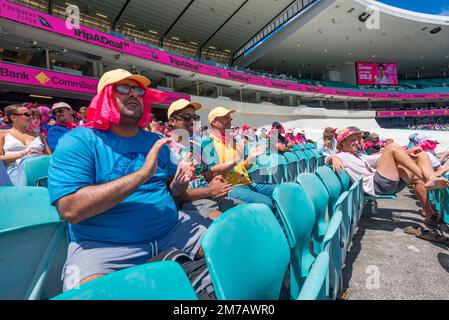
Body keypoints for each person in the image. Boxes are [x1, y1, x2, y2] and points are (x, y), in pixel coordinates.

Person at [48, 69, 210, 291]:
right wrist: (141, 175)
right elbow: (70, 209)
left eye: (138, 90)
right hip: (104, 248)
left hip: (173, 230)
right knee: (91, 296)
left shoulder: (155, 141)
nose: (133, 94)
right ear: (105, 97)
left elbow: (174, 193)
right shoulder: (78, 141)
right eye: (123, 88)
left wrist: (179, 184)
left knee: (233, 250)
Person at [335, 128, 448, 224]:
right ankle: (428, 178)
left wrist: (407, 152)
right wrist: (332, 158)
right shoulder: (342, 156)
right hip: (377, 185)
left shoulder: (358, 155)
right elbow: (326, 158)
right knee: (391, 147)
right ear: (342, 143)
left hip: (384, 183)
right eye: (352, 140)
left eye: (356, 139)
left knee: (420, 153)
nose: (356, 142)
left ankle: (429, 210)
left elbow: (376, 159)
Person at [168, 99, 242, 219]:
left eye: (195, 117)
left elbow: (208, 176)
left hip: (211, 197)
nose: (192, 121)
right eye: (187, 117)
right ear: (172, 121)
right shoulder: (167, 149)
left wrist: (216, 182)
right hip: (190, 204)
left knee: (250, 213)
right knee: (228, 223)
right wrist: (211, 190)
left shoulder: (197, 147)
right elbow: (176, 195)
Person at [203, 106, 275, 208]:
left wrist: (251, 156)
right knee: (267, 202)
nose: (230, 120)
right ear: (214, 122)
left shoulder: (233, 141)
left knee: (284, 191)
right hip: (230, 187)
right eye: (225, 117)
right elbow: (211, 172)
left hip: (248, 184)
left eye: (230, 117)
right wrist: (237, 158)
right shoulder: (207, 143)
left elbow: (244, 167)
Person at [0, 104, 51, 185]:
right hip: (15, 171)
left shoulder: (40, 135)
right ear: (13, 117)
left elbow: (50, 157)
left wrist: (40, 154)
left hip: (40, 169)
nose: (30, 117)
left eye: (30, 114)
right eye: (26, 114)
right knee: (28, 159)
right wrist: (20, 155)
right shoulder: (2, 134)